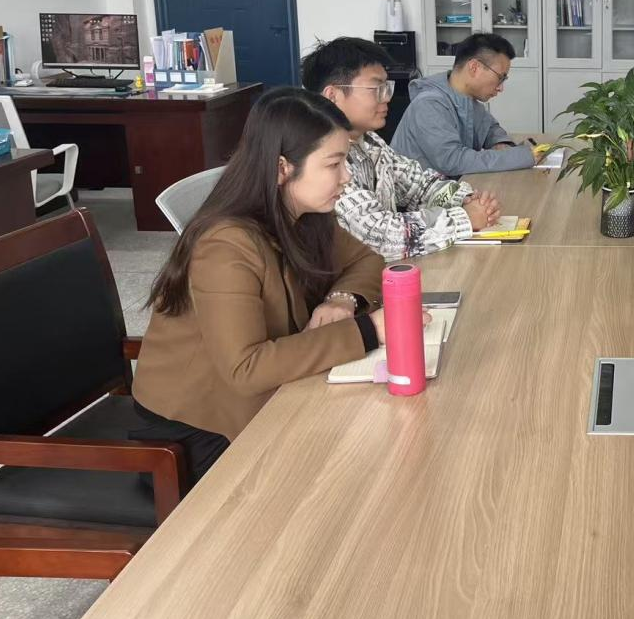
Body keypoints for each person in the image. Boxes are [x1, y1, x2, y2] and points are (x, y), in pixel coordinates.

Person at [131, 88, 414, 485]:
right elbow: (245, 369)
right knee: (346, 473)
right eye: (334, 163)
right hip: (192, 429)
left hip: (264, 393)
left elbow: (365, 259)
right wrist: (367, 330)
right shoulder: (225, 244)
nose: (347, 177)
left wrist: (342, 300)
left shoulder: (304, 212)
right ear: (283, 168)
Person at [302, 37, 501, 261]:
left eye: (386, 87)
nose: (387, 97)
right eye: (376, 89)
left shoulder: (370, 142)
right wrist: (463, 219)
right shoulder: (322, 158)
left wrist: (465, 199)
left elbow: (420, 186)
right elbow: (381, 238)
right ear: (333, 96)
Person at [392, 33, 550, 176]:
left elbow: (490, 128)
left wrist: (500, 143)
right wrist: (522, 156)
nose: (501, 88)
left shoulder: (465, 98)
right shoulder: (428, 104)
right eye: (500, 78)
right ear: (474, 67)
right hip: (418, 197)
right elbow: (453, 161)